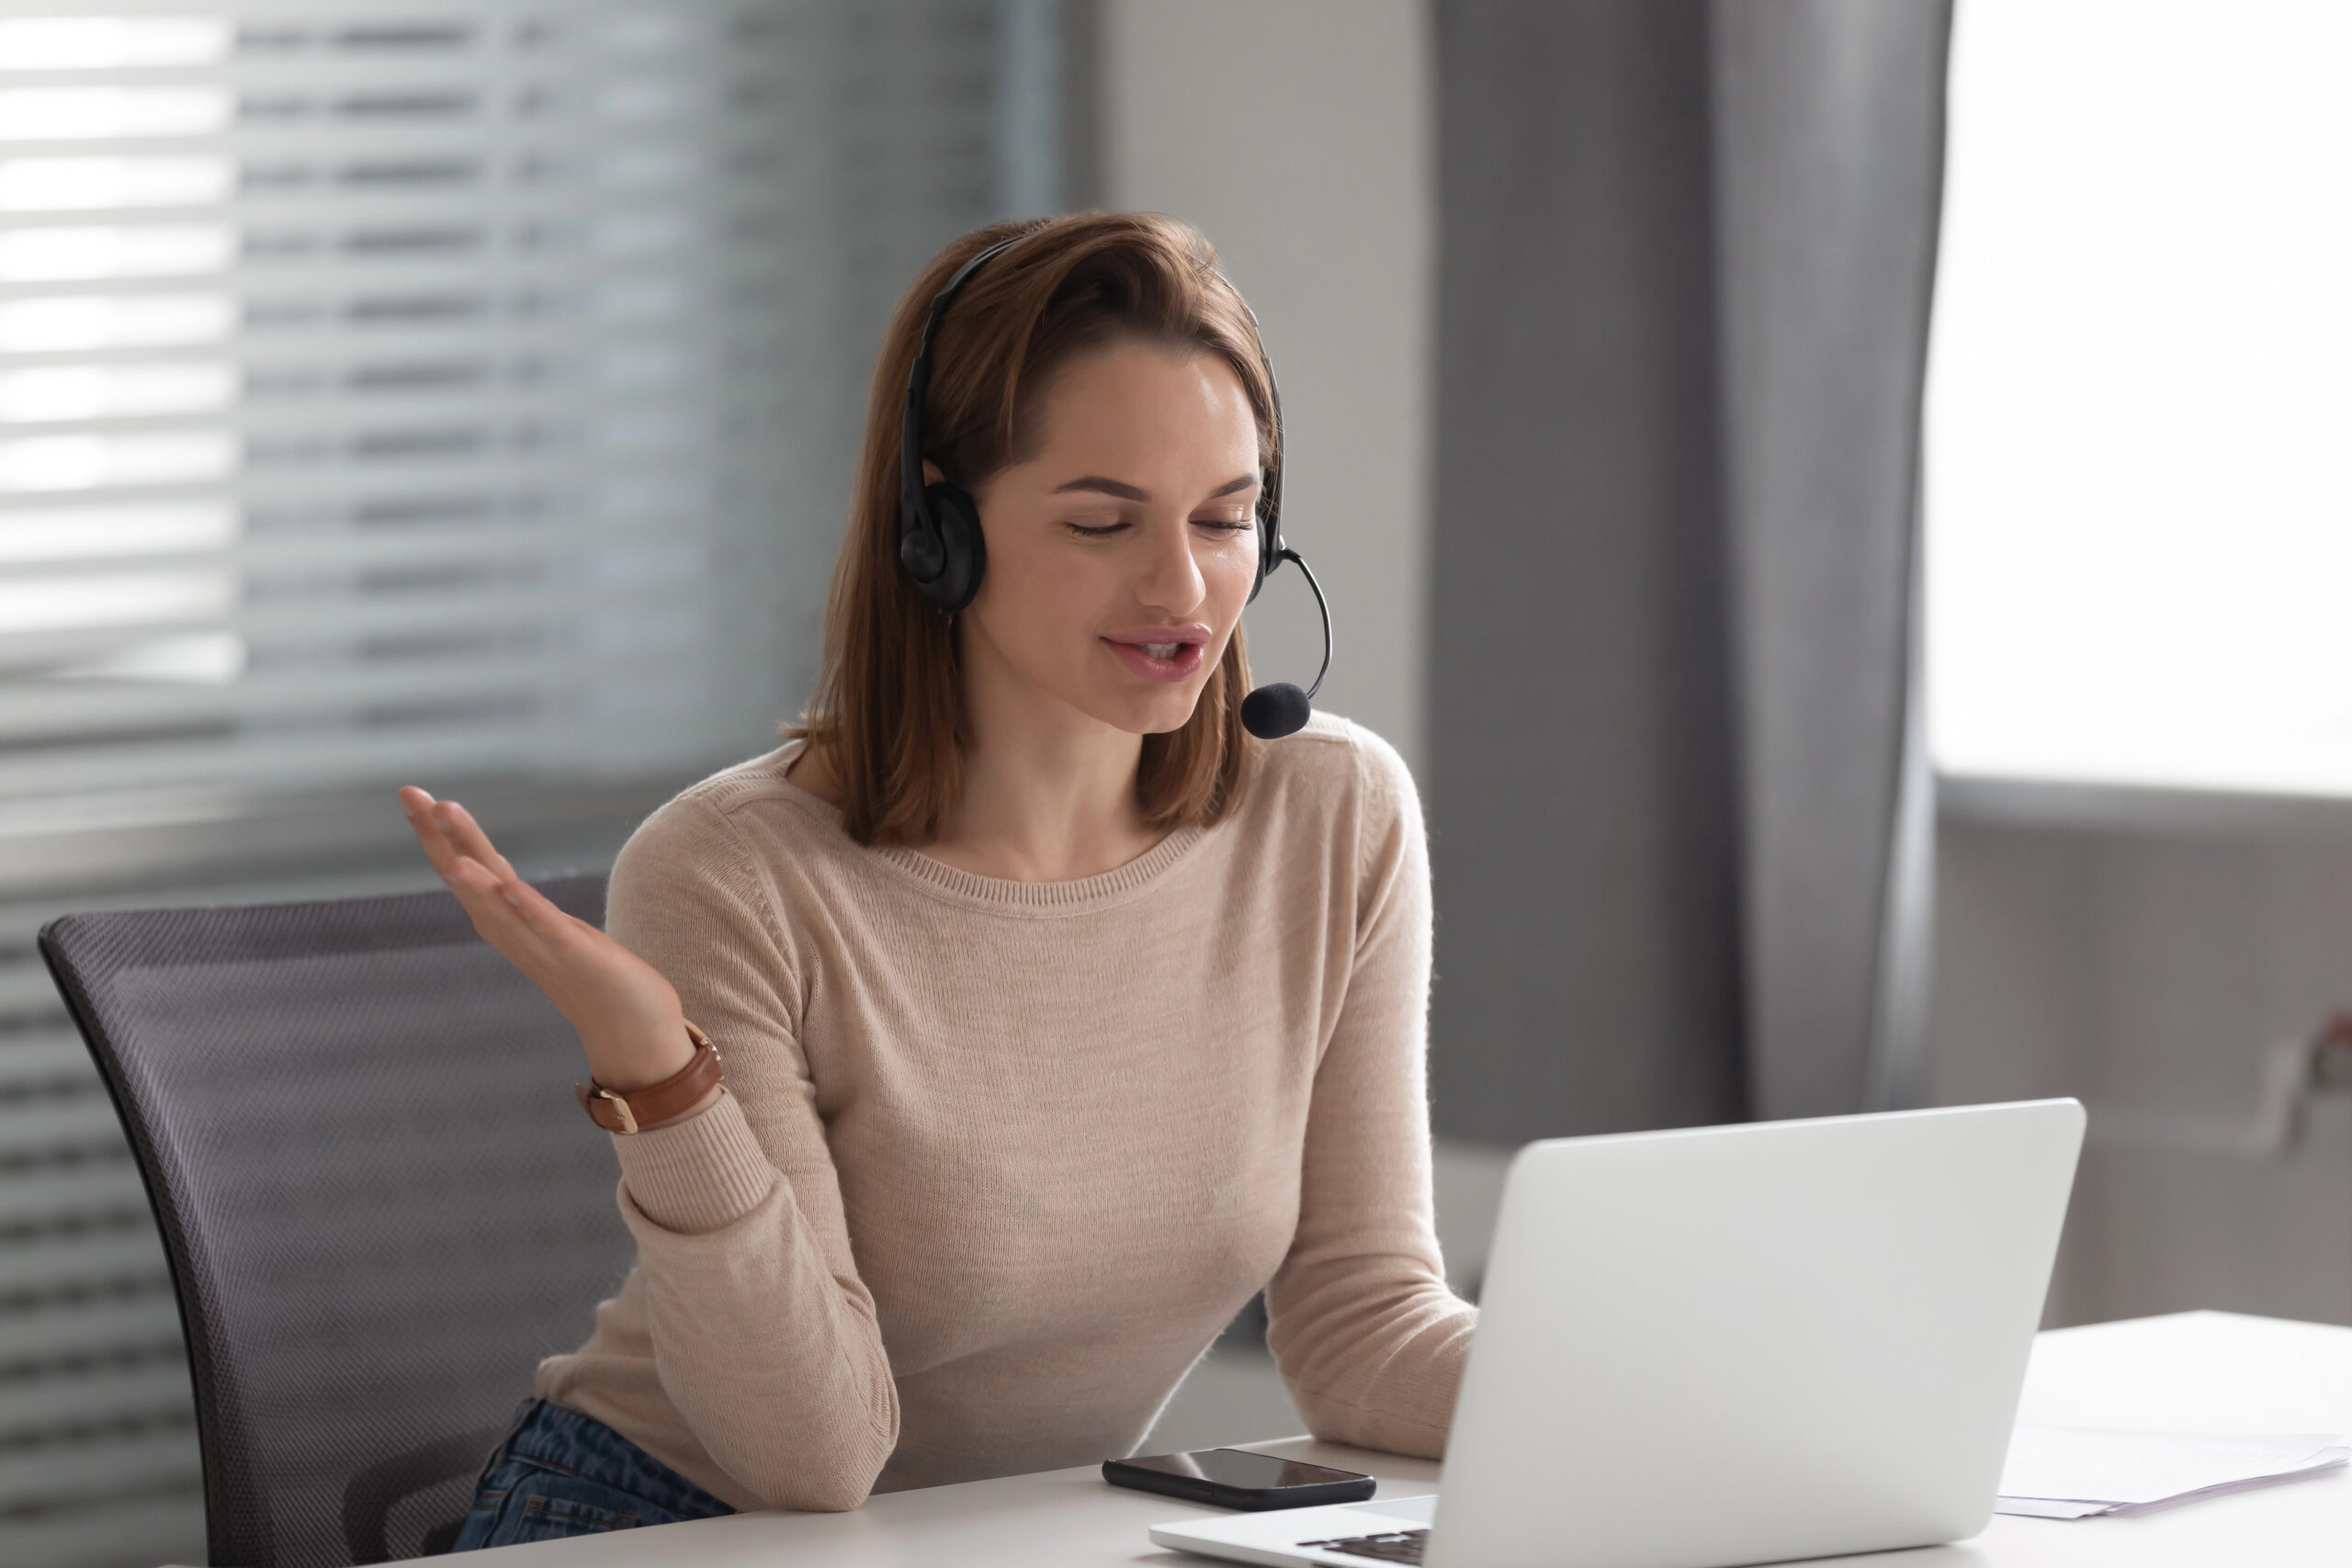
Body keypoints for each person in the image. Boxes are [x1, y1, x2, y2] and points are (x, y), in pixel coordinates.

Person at [402, 210, 1474, 1550]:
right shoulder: (734, 872)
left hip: (1009, 1535)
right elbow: (816, 1455)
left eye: (1226, 518)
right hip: (658, 1523)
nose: (1183, 586)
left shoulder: (1330, 813)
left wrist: (1662, 1391)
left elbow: (1368, 1326)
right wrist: (662, 1081)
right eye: (1102, 523)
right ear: (937, 529)